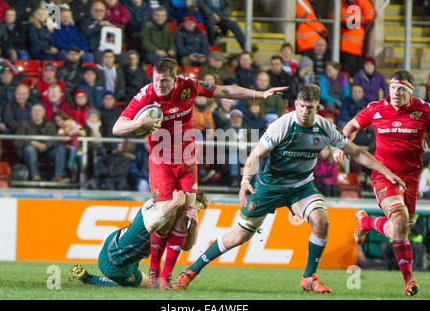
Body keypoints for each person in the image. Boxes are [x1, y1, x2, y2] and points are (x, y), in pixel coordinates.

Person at [172, 84, 406, 293]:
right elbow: (254, 156)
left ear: (318, 107)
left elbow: (356, 152)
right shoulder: (281, 126)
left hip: (301, 186)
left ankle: (308, 277)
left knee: (321, 221)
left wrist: (386, 171)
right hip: (270, 185)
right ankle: (190, 271)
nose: (305, 111)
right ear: (296, 104)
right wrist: (245, 182)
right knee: (239, 236)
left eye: (311, 107)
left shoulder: (324, 128)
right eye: (302, 106)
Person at [113, 57, 288, 289]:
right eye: (156, 80)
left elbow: (225, 90)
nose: (159, 86)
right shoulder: (146, 95)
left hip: (187, 160)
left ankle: (166, 276)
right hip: (161, 162)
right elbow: (117, 127)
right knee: (166, 215)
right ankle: (154, 270)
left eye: (164, 81)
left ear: (174, 78)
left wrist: (259, 94)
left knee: (187, 214)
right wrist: (139, 124)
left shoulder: (189, 86)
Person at [334, 70, 429, 296]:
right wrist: (342, 145)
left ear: (410, 91)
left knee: (401, 230)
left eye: (401, 89)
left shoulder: (422, 109)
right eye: (393, 88)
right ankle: (409, 281)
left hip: (412, 177)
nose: (396, 92)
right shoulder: (376, 108)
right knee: (399, 218)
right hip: (384, 173)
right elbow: (351, 127)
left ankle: (367, 222)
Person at [70, 189, 207, 288]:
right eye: (193, 209)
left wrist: (194, 224)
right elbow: (151, 226)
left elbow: (187, 246)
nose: (192, 214)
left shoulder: (180, 220)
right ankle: (88, 278)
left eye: (197, 212)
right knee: (126, 285)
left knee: (148, 285)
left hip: (132, 257)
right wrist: (174, 203)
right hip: (116, 256)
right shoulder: (157, 205)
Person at [15, 103, 68, 182]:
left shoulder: (50, 124)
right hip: (29, 152)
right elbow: (18, 142)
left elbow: (54, 139)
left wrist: (45, 145)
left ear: (43, 113)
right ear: (31, 113)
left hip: (47, 151)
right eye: (35, 111)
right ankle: (35, 176)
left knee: (60, 148)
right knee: (30, 148)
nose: (37, 113)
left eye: (39, 111)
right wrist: (33, 142)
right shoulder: (24, 124)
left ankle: (58, 176)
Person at [338, 0, 375, 77]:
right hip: (343, 46)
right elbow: (333, 16)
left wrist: (354, 21)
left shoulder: (363, 2)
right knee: (344, 71)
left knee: (351, 72)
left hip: (355, 46)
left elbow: (370, 17)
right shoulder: (343, 4)